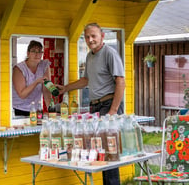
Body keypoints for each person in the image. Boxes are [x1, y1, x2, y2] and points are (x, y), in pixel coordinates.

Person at [59, 23, 125, 185]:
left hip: (109, 105)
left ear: (102, 36)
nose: (90, 39)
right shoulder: (90, 56)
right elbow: (86, 80)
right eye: (87, 37)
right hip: (95, 107)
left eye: (93, 36)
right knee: (99, 151)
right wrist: (65, 88)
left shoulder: (110, 53)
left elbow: (121, 82)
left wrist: (113, 111)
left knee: (110, 152)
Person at [12, 40, 52, 116]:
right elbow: (22, 94)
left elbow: (46, 90)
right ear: (28, 53)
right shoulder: (19, 68)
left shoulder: (44, 65)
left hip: (36, 108)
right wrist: (36, 82)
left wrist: (51, 110)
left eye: (40, 52)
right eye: (34, 51)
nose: (37, 54)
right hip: (19, 108)